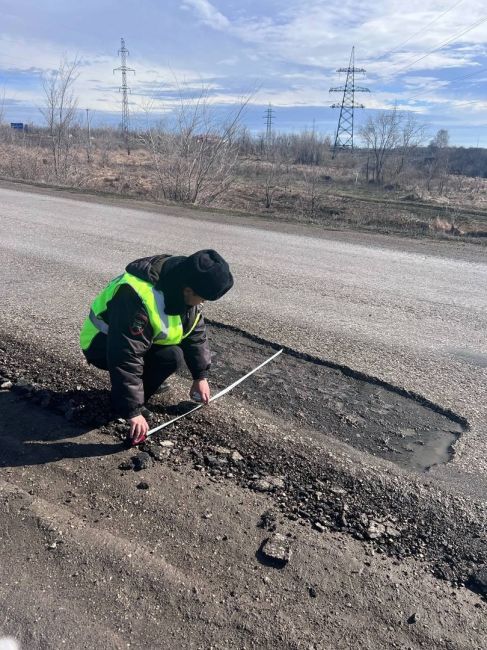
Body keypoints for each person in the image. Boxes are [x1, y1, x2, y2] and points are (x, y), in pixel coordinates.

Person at [80, 249, 233, 446]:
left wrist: (200, 376)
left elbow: (195, 332)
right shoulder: (136, 297)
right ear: (188, 291)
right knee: (171, 356)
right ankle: (126, 402)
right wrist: (132, 410)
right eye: (203, 298)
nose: (202, 303)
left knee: (171, 354)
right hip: (101, 344)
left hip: (133, 342)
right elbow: (125, 356)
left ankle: (141, 387)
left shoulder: (183, 280)